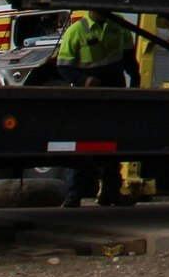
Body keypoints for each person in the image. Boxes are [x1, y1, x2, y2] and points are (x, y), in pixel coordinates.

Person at [53, 11, 134, 206]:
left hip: (114, 91)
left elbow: (130, 59)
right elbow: (64, 66)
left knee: (112, 144)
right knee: (84, 144)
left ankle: (110, 192)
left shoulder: (119, 25)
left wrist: (135, 82)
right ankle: (73, 195)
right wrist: (85, 80)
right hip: (88, 96)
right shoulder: (77, 30)